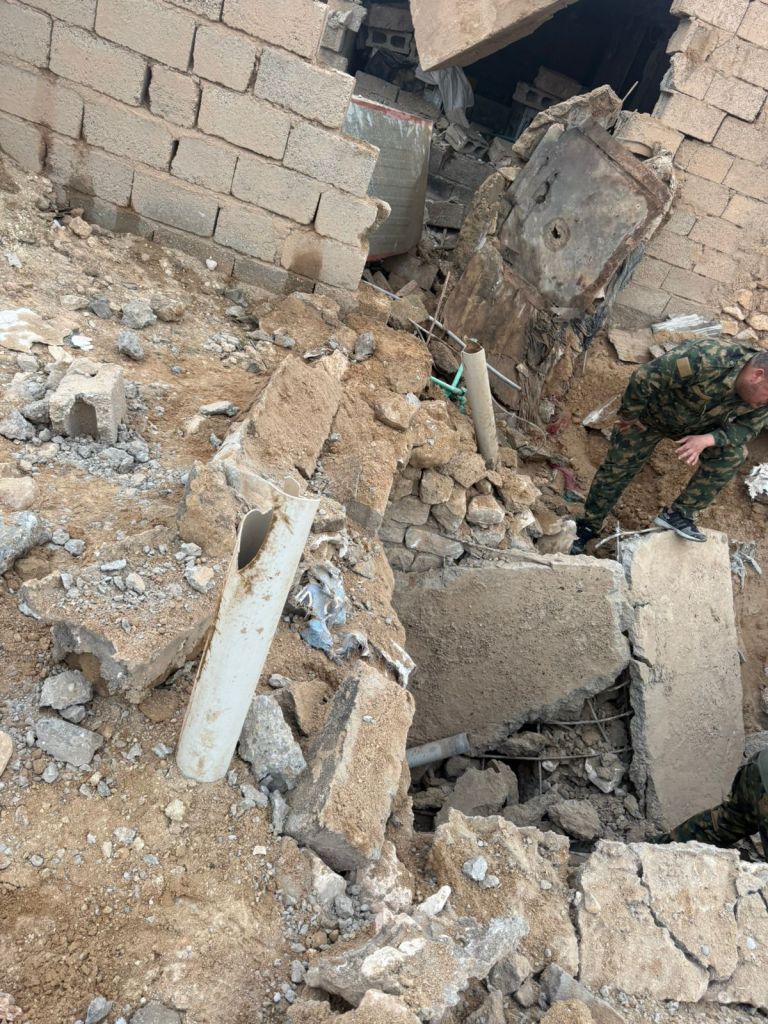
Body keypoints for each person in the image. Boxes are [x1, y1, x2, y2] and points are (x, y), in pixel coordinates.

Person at [571, 340, 768, 554]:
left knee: (734, 455)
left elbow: (747, 428)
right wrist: (630, 414)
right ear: (757, 375)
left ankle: (679, 514)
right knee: (617, 469)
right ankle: (588, 526)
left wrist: (707, 439)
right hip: (648, 418)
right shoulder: (706, 358)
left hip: (698, 429)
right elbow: (645, 377)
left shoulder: (761, 399)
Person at [654, 749, 768, 857]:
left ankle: (658, 847)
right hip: (762, 779)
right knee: (731, 822)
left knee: (729, 822)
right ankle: (655, 852)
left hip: (759, 768)